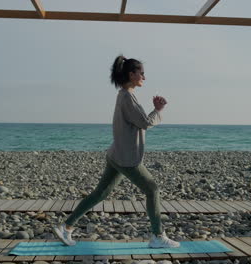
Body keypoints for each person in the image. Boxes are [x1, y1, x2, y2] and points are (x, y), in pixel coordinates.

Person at [53, 55, 180, 248]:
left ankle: (67, 227)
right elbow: (144, 123)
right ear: (132, 74)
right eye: (142, 73)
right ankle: (157, 236)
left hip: (116, 154)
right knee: (152, 189)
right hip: (126, 158)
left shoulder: (124, 94)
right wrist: (158, 110)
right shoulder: (127, 97)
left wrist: (154, 110)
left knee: (100, 193)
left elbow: (136, 121)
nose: (144, 77)